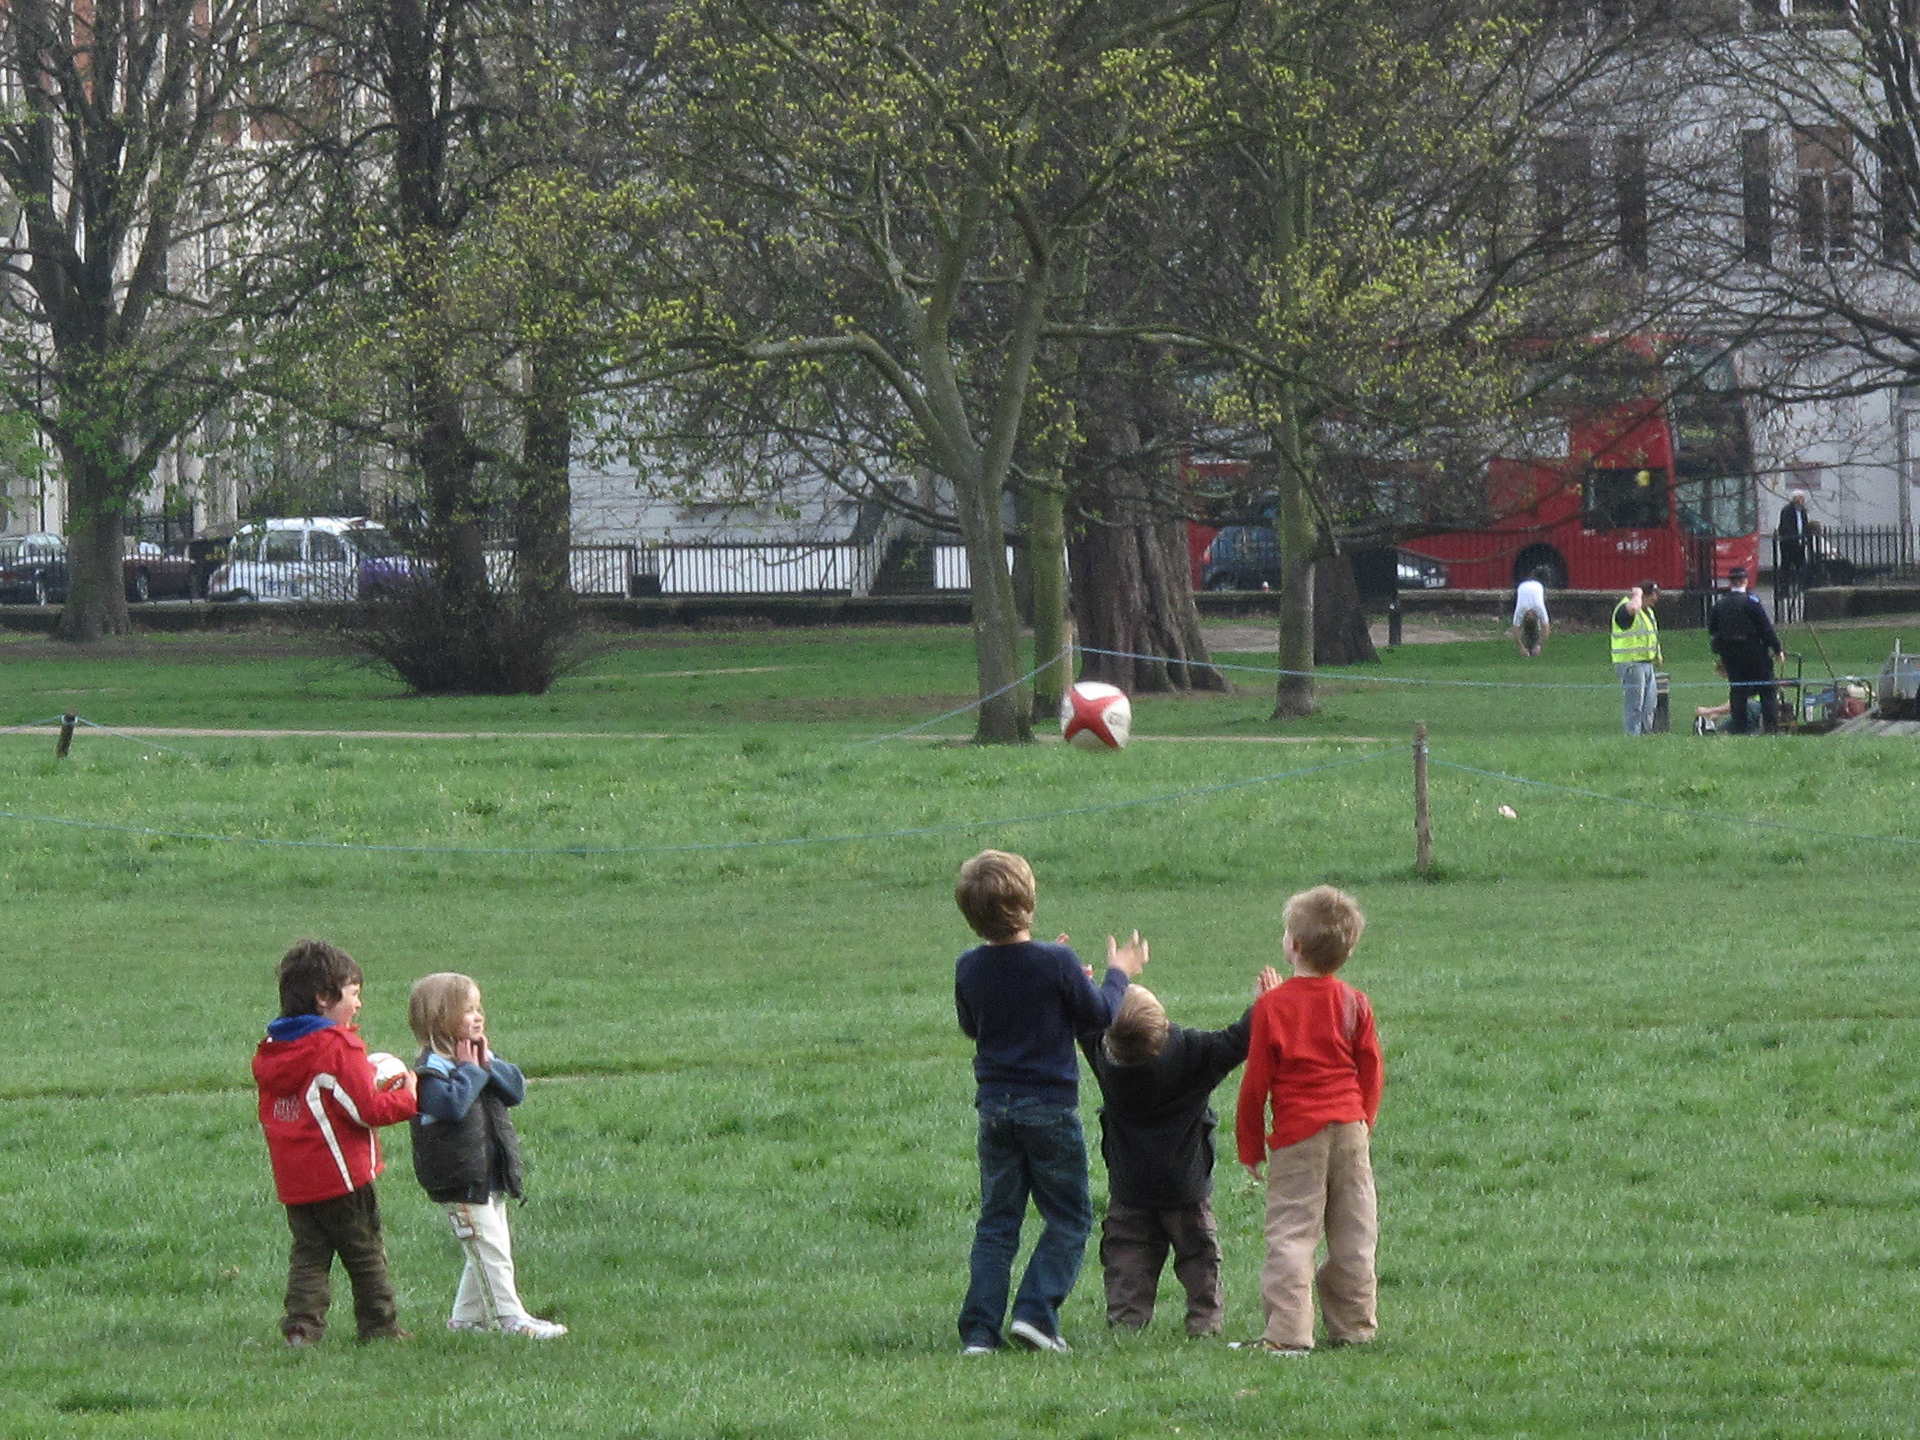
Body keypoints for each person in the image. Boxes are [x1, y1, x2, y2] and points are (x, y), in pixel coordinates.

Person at [953, 848, 1147, 1355]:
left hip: (994, 1109)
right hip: (1049, 1109)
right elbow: (1100, 1014)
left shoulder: (969, 966)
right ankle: (1036, 1314)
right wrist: (1118, 972)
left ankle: (979, 1332)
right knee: (1069, 1216)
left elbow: (973, 1025)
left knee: (998, 1222)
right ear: (1028, 903)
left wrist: (1054, 980)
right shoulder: (1056, 962)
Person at [1081, 967, 1281, 1337]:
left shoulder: (1106, 1061)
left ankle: (1126, 1319)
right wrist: (1264, 1003)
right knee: (1199, 1254)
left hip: (1130, 1186)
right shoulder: (1193, 1054)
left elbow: (1085, 1023)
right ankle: (1204, 1320)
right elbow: (1238, 1040)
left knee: (1126, 1255)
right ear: (1166, 1026)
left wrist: (1086, 988)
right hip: (1186, 1186)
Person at [1235, 886, 1382, 1356]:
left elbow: (1255, 1085)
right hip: (1351, 1129)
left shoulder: (1271, 1007)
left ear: (1293, 946)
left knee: (1292, 1235)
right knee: (1354, 1233)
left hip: (1298, 1135)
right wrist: (1364, 1121)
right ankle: (1354, 1326)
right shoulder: (1355, 1002)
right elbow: (1371, 1070)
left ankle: (1288, 1334)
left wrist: (1249, 1145)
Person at [253, 938, 418, 1347]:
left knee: (309, 1254)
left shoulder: (274, 1049)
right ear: (324, 998)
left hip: (295, 1180)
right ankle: (380, 1327)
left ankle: (301, 1328)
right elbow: (367, 1109)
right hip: (342, 1177)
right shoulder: (337, 1048)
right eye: (353, 994)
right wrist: (409, 1097)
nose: (358, 1004)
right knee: (365, 1252)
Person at [408, 972, 568, 1338]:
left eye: (478, 1008)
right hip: (459, 1178)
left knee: (490, 1246)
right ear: (440, 1018)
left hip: (489, 1174)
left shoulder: (480, 1060)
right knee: (491, 1250)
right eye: (468, 1010)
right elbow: (451, 1106)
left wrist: (487, 1064)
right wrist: (470, 1071)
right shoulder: (431, 1071)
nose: (478, 1016)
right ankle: (510, 1318)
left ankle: (466, 1320)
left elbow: (515, 1090)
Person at [1708, 566, 1784, 734]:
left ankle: (1739, 727)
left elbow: (1713, 631)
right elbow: (1765, 628)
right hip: (1755, 654)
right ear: (1745, 581)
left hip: (1731, 655)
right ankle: (1771, 728)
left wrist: (1720, 652)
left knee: (1738, 690)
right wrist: (1777, 648)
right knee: (1767, 689)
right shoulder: (1751, 602)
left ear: (1730, 582)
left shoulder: (1720, 604)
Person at [1610, 581, 1663, 735]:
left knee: (1649, 704)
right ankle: (1633, 735)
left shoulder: (1648, 612)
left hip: (1646, 663)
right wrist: (1637, 594)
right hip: (1631, 663)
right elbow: (1633, 609)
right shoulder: (1625, 608)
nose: (1656, 598)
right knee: (1635, 705)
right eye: (1653, 594)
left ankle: (1645, 734)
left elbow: (1651, 636)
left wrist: (1657, 656)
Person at [1776, 489, 1811, 597]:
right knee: (1786, 567)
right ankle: (1784, 590)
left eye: (1803, 499)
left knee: (1801, 566)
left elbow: (1805, 525)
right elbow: (1786, 527)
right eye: (1801, 499)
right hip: (1788, 543)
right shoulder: (1787, 510)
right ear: (1795, 499)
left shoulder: (1803, 512)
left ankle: (1803, 587)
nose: (1803, 501)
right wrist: (1794, 538)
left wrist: (1804, 538)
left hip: (1800, 543)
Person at [1511, 569, 1552, 657]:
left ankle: (1532, 641)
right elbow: (1515, 629)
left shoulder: (1526, 609)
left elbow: (1546, 627)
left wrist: (1539, 646)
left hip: (1532, 584)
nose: (1530, 614)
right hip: (1530, 584)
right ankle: (1530, 641)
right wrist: (1521, 647)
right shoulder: (1527, 609)